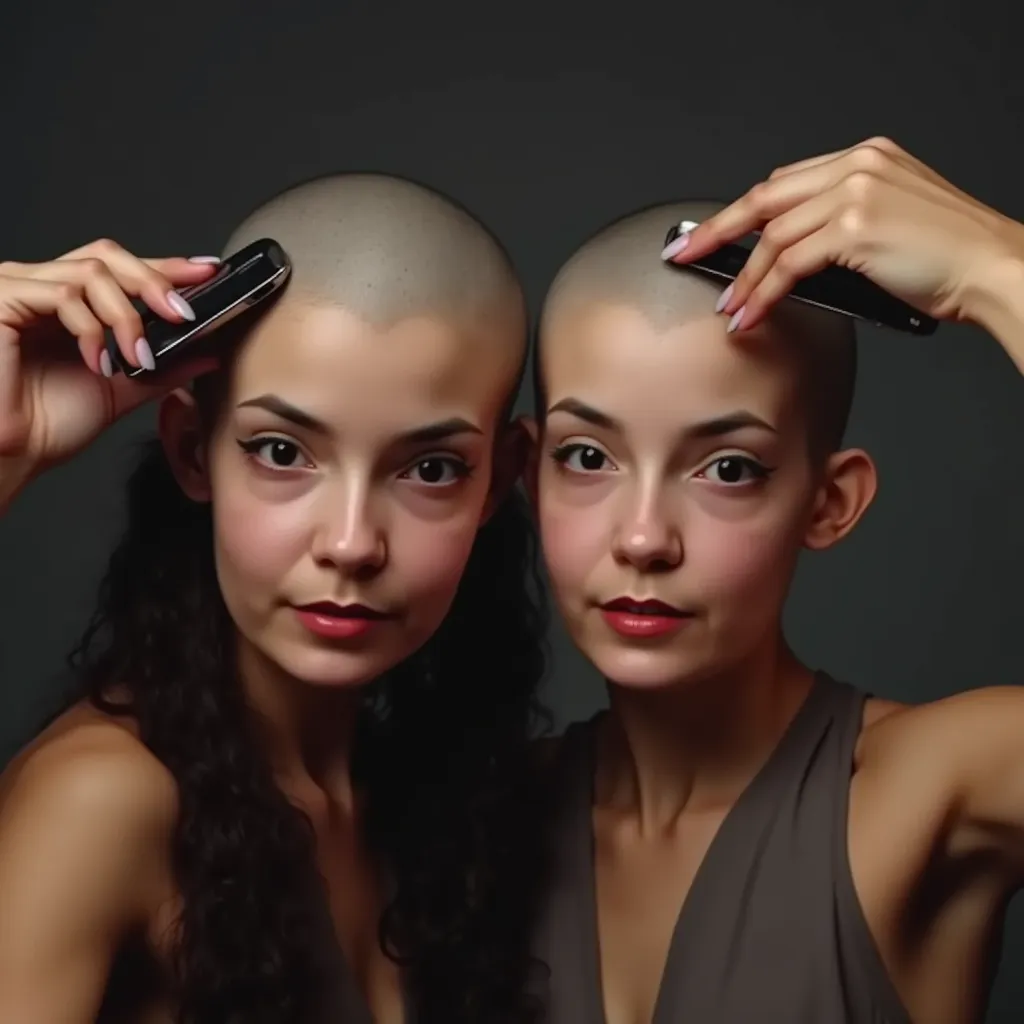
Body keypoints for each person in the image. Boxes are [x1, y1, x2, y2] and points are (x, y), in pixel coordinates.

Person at [0, 173, 549, 1024]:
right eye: (283, 452)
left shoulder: (425, 804)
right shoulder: (102, 803)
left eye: (430, 469)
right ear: (191, 450)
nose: (351, 542)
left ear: (497, 484)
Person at [526, 137, 1024, 1024]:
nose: (643, 537)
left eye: (727, 468)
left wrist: (996, 267)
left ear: (829, 503)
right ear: (528, 476)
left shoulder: (932, 785)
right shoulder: (462, 827)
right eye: (588, 456)